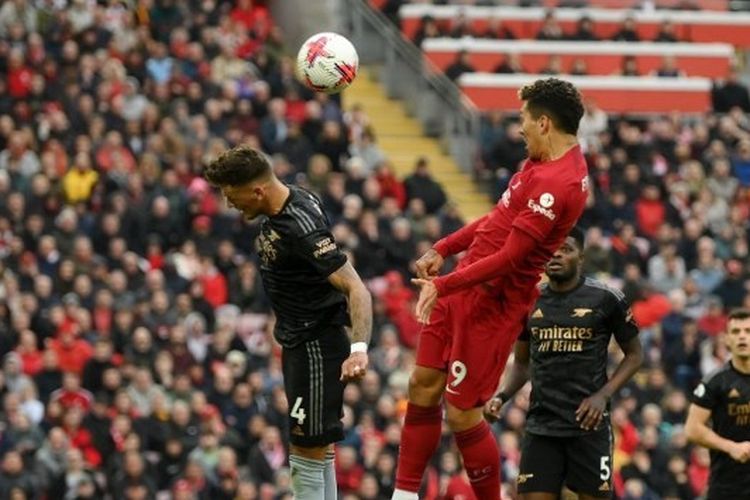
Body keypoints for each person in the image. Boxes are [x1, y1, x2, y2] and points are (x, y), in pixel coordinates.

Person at [392, 78, 589, 500]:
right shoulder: (538, 163)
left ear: (543, 122)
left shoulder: (561, 183)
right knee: (421, 385)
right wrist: (443, 248)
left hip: (493, 305)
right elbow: (496, 219)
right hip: (465, 282)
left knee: (463, 414)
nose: (518, 129)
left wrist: (442, 284)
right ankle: (404, 495)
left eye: (522, 120)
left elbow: (511, 258)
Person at [203, 146, 373, 499]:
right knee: (318, 447)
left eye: (234, 197)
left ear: (258, 190)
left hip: (316, 346)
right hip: (302, 342)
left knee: (304, 452)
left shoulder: (300, 228)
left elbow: (356, 287)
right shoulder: (297, 198)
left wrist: (358, 350)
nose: (231, 205)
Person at [484, 228, 643, 499]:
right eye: (550, 250)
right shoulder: (529, 300)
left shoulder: (606, 298)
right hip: (542, 425)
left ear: (580, 257)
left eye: (566, 249)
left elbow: (635, 355)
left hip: (589, 426)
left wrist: (602, 396)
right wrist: (501, 396)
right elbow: (522, 364)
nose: (556, 254)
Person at [685, 308, 750, 500]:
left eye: (748, 331)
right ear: (727, 339)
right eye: (736, 332)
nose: (742, 337)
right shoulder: (716, 381)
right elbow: (692, 429)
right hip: (728, 486)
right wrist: (731, 447)